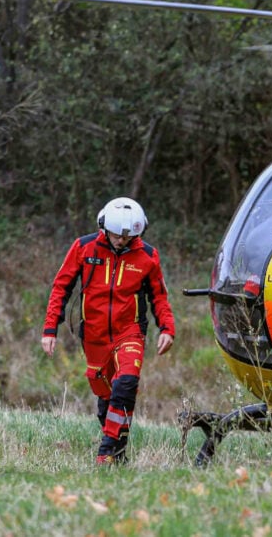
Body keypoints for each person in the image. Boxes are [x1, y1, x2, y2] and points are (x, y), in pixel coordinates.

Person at [42, 197, 176, 465]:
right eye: (116, 236)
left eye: (127, 238)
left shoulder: (148, 256)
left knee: (126, 384)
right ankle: (119, 450)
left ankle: (105, 452)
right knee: (106, 399)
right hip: (93, 334)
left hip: (130, 332)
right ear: (104, 227)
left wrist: (167, 328)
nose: (121, 241)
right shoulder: (83, 247)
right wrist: (50, 328)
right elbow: (61, 287)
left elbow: (159, 296)